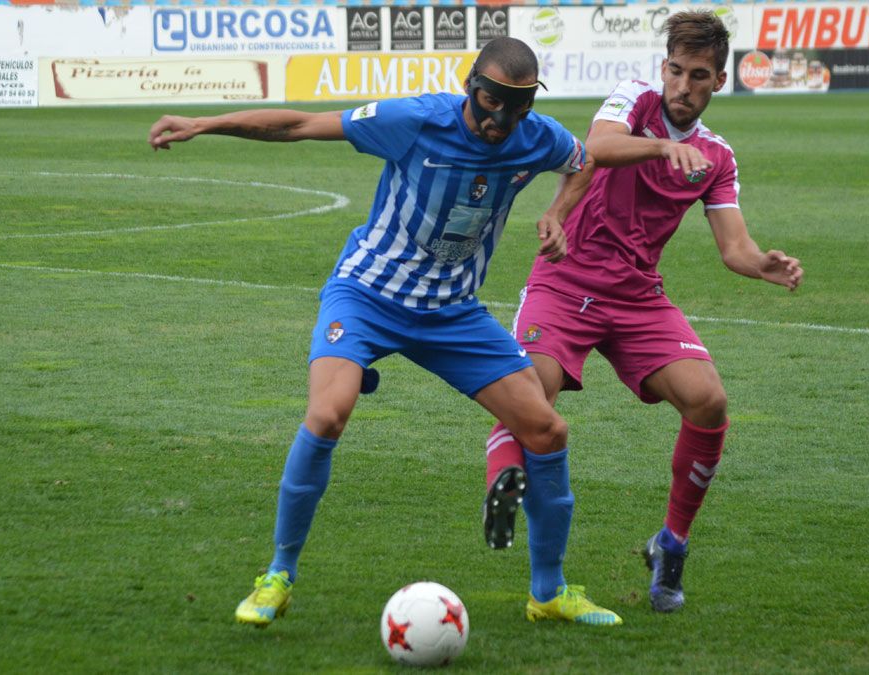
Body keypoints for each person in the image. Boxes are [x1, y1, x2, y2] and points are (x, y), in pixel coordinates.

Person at [148, 37, 623, 628]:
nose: (499, 120)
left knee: (546, 430)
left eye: (514, 109)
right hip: (368, 295)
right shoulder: (415, 119)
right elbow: (298, 124)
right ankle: (277, 575)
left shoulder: (537, 136)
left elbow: (584, 160)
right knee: (327, 415)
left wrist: (556, 213)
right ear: (469, 84)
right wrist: (204, 123)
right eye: (489, 103)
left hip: (452, 312)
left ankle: (548, 593)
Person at [482, 12, 804, 613]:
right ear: (664, 68)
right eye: (676, 70)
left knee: (708, 400)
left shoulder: (717, 155)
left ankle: (671, 543)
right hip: (566, 280)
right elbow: (597, 148)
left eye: (699, 75)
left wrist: (764, 264)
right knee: (529, 393)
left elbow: (734, 248)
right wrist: (661, 145)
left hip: (637, 298)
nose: (683, 85)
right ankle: (501, 479)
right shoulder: (635, 98)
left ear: (719, 81)